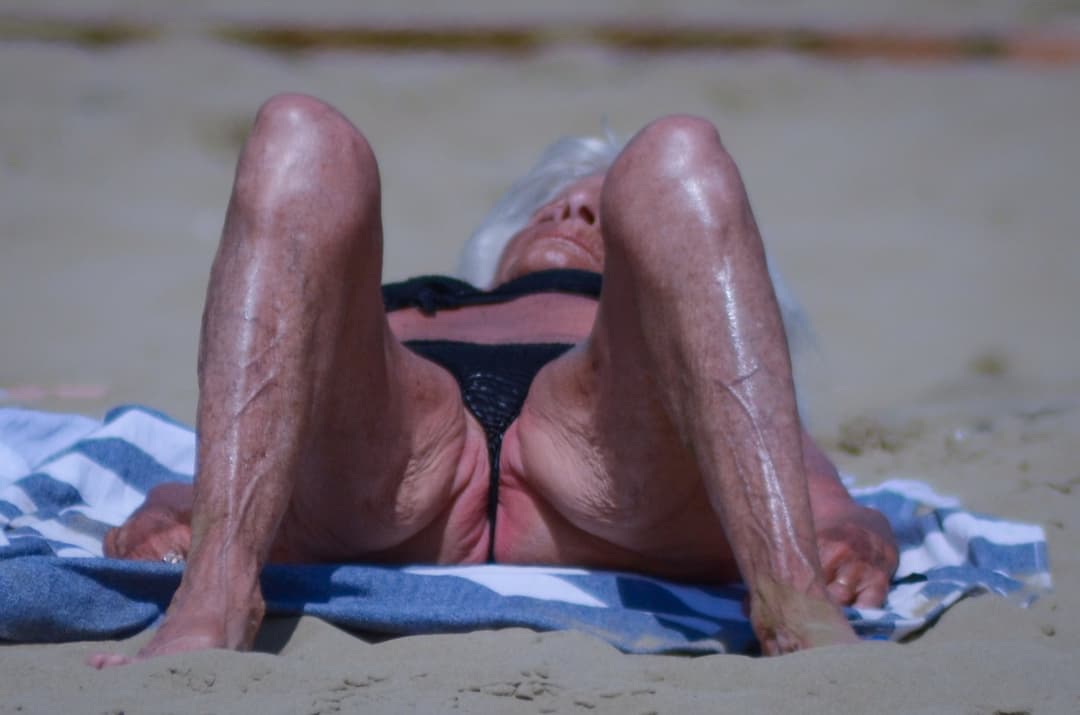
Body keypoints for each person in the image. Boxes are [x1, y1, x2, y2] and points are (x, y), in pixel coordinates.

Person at [90, 94, 897, 667]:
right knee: (302, 133)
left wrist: (846, 534)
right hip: (398, 447)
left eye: (603, 217)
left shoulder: (650, 323)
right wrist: (173, 509)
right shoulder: (414, 311)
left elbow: (808, 477)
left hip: (604, 446)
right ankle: (216, 599)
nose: (574, 216)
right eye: (552, 208)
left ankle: (794, 606)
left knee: (678, 149)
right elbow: (270, 397)